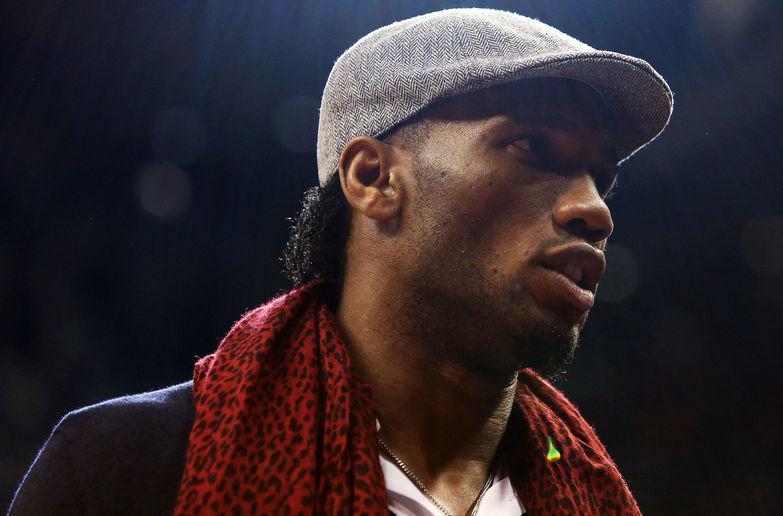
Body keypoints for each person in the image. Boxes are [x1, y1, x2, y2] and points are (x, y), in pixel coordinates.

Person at [8, 8, 671, 516]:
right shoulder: (127, 468)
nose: (595, 210)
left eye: (601, 178)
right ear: (372, 179)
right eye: (533, 147)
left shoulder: (589, 487)